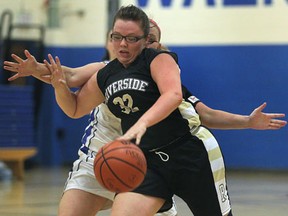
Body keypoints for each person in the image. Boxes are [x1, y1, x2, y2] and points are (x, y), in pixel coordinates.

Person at [3, 12, 287, 216]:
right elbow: (70, 82)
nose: (130, 44)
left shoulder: (164, 68)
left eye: (147, 39)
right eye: (119, 37)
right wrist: (41, 72)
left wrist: (248, 122)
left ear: (153, 44)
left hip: (184, 156)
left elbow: (203, 113)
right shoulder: (106, 71)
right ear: (112, 40)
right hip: (126, 158)